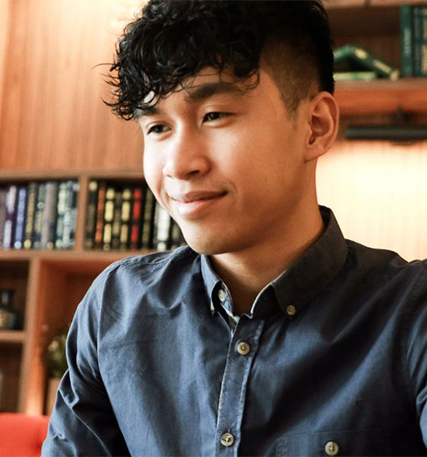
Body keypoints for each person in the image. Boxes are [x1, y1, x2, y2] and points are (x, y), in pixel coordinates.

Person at [41, 1, 427, 455]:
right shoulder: (116, 308)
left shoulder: (411, 314)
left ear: (314, 127)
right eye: (158, 127)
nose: (180, 165)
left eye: (214, 116)